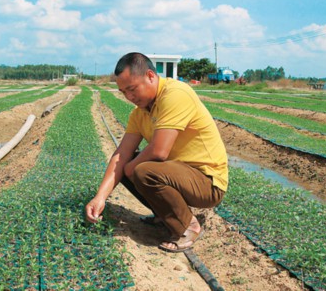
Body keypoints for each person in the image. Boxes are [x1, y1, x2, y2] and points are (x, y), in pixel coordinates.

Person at [85, 52, 228, 252]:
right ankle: (165, 216)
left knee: (141, 170)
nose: (129, 97)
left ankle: (189, 226)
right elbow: (121, 154)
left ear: (151, 76)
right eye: (123, 92)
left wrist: (131, 168)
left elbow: (160, 151)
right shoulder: (140, 113)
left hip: (207, 182)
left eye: (132, 89)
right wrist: (100, 197)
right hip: (178, 175)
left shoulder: (175, 94)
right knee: (125, 166)